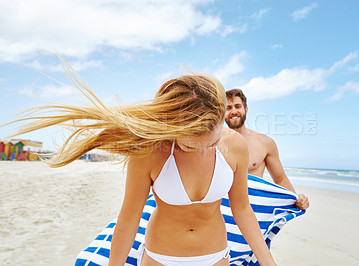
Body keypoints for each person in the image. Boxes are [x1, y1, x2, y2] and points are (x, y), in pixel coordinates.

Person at [9, 62, 277, 265]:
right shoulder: (150, 152)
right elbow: (128, 219)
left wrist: (269, 263)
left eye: (210, 143)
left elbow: (243, 210)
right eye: (188, 145)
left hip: (216, 256)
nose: (203, 151)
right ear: (171, 126)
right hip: (160, 257)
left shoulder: (236, 147)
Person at [225, 89, 309, 210]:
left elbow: (280, 179)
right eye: (228, 108)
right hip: (224, 212)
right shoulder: (213, 144)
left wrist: (297, 199)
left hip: (255, 210)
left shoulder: (265, 143)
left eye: (238, 106)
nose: (233, 111)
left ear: (246, 110)